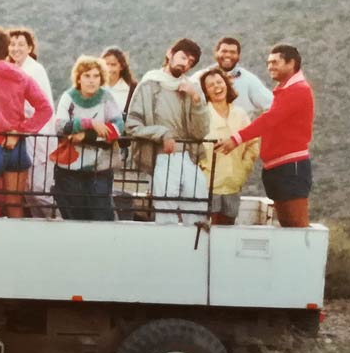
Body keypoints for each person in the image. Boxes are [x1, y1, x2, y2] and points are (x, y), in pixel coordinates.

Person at [216, 44, 313, 227]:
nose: (270, 67)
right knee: (286, 223)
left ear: (291, 63)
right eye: (268, 63)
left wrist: (236, 139)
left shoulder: (299, 90)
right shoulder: (284, 90)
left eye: (275, 62)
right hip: (277, 166)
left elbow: (269, 119)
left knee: (296, 224)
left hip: (291, 166)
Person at [0, 25, 54, 218]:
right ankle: (15, 246)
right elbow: (45, 109)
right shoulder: (22, 76)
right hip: (17, 145)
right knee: (15, 203)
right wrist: (20, 130)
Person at [126, 38, 210, 225]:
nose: (185, 63)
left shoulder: (192, 89)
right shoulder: (149, 84)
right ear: (170, 54)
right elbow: (132, 124)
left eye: (190, 62)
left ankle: (195, 249)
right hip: (160, 157)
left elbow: (200, 132)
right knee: (165, 210)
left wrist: (196, 99)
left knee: (198, 205)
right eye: (183, 57)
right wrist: (162, 133)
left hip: (187, 156)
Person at [51, 56, 123, 221]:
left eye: (96, 76)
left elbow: (117, 128)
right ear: (78, 78)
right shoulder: (68, 97)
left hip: (100, 169)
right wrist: (89, 123)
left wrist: (86, 135)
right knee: (74, 216)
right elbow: (60, 126)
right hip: (70, 170)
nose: (92, 80)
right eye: (87, 76)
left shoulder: (107, 98)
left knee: (101, 215)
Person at [198, 68, 258, 225]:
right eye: (210, 85)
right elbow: (193, 147)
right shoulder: (201, 115)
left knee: (227, 231)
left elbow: (253, 142)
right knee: (208, 234)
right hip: (208, 186)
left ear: (226, 84)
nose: (217, 87)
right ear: (205, 91)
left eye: (219, 82)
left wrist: (244, 168)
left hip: (233, 184)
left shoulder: (240, 114)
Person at [8, 27, 57, 218]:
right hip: (25, 136)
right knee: (28, 191)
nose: (16, 48)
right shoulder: (15, 69)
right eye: (12, 44)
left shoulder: (34, 70)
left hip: (39, 136)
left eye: (21, 44)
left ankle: (60, 222)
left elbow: (36, 107)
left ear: (30, 47)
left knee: (40, 190)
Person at [192, 37, 273, 117]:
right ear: (216, 53)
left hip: (242, 127)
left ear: (238, 56)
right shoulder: (200, 77)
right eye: (224, 51)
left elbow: (271, 105)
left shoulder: (248, 79)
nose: (228, 55)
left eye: (232, 52)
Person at [101, 47, 137, 113]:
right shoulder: (95, 87)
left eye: (113, 65)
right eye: (106, 64)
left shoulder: (133, 89)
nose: (109, 69)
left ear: (121, 66)